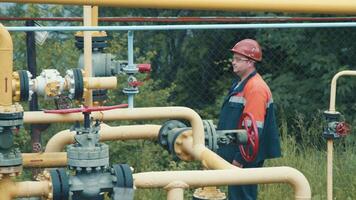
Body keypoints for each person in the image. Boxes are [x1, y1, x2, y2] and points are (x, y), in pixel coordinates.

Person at [217, 39, 282, 200]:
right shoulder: (241, 84)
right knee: (237, 195)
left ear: (251, 62)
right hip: (240, 151)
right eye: (234, 58)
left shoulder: (256, 88)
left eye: (238, 59)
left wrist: (239, 159)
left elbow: (254, 129)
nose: (234, 62)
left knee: (242, 196)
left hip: (246, 154)